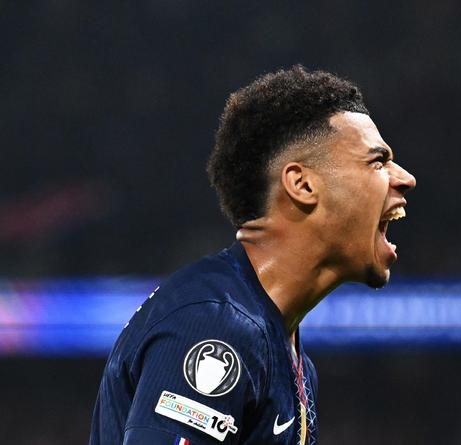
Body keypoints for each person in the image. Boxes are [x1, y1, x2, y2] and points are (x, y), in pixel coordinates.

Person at [89, 65, 416, 445]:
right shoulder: (216, 327)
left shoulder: (283, 351)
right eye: (377, 162)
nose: (405, 178)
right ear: (302, 184)